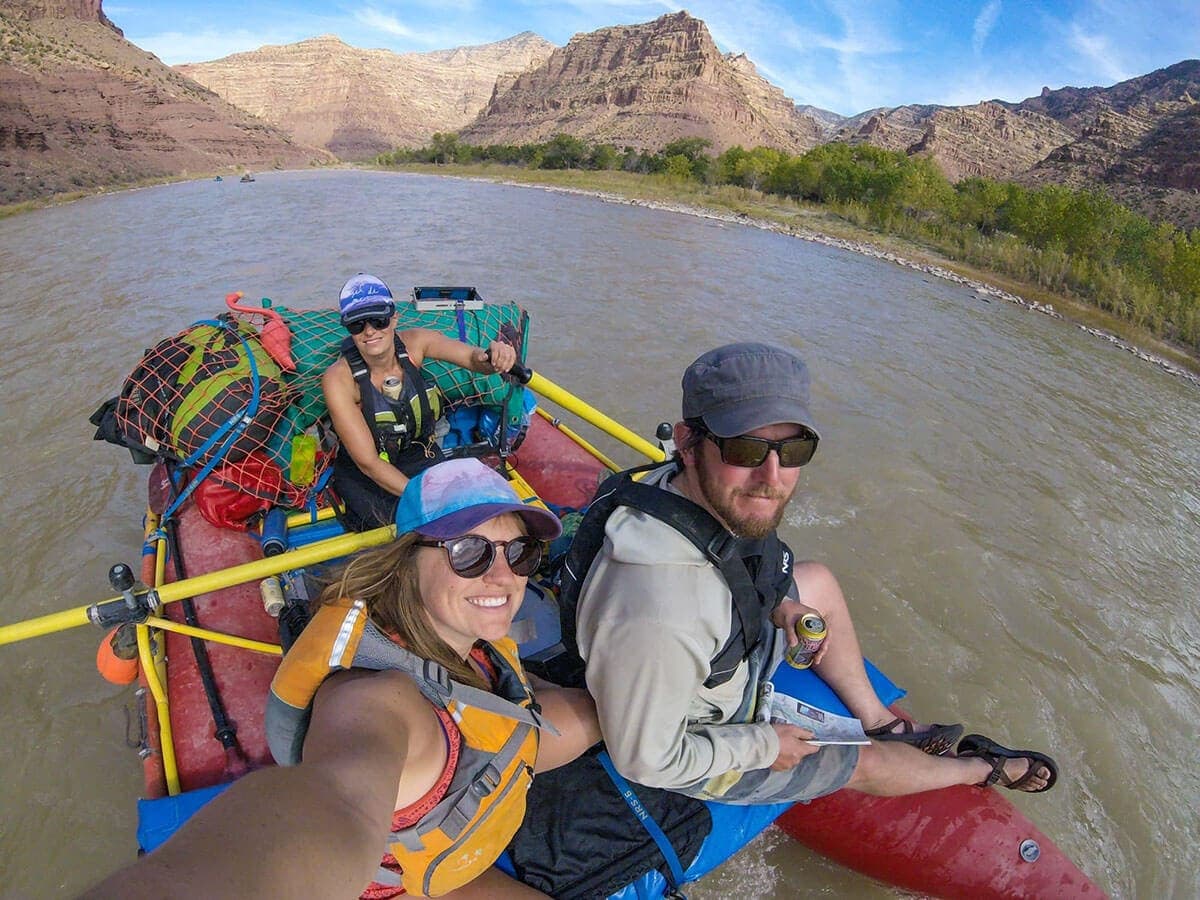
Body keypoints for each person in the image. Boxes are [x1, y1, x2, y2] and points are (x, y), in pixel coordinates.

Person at [564, 342, 1057, 808]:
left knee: (816, 579)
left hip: (716, 640)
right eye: (746, 450)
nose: (772, 477)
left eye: (793, 450)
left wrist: (784, 606)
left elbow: (740, 565)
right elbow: (646, 760)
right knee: (862, 763)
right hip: (700, 726)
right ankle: (978, 767)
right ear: (688, 442)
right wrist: (761, 745)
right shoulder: (661, 614)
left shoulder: (687, 489)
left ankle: (881, 720)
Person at [82, 458, 599, 899]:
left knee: (604, 713)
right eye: (469, 552)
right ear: (407, 562)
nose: (503, 576)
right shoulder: (380, 700)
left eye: (521, 552)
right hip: (411, 880)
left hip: (471, 811)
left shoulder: (463, 636)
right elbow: (337, 801)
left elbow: (518, 701)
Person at [323, 273, 518, 531]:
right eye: (357, 325)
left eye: (378, 320)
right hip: (368, 479)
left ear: (394, 317)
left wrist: (493, 356)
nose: (369, 331)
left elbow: (473, 359)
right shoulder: (339, 380)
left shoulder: (417, 343)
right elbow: (368, 462)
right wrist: (423, 498)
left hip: (421, 457)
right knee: (408, 533)